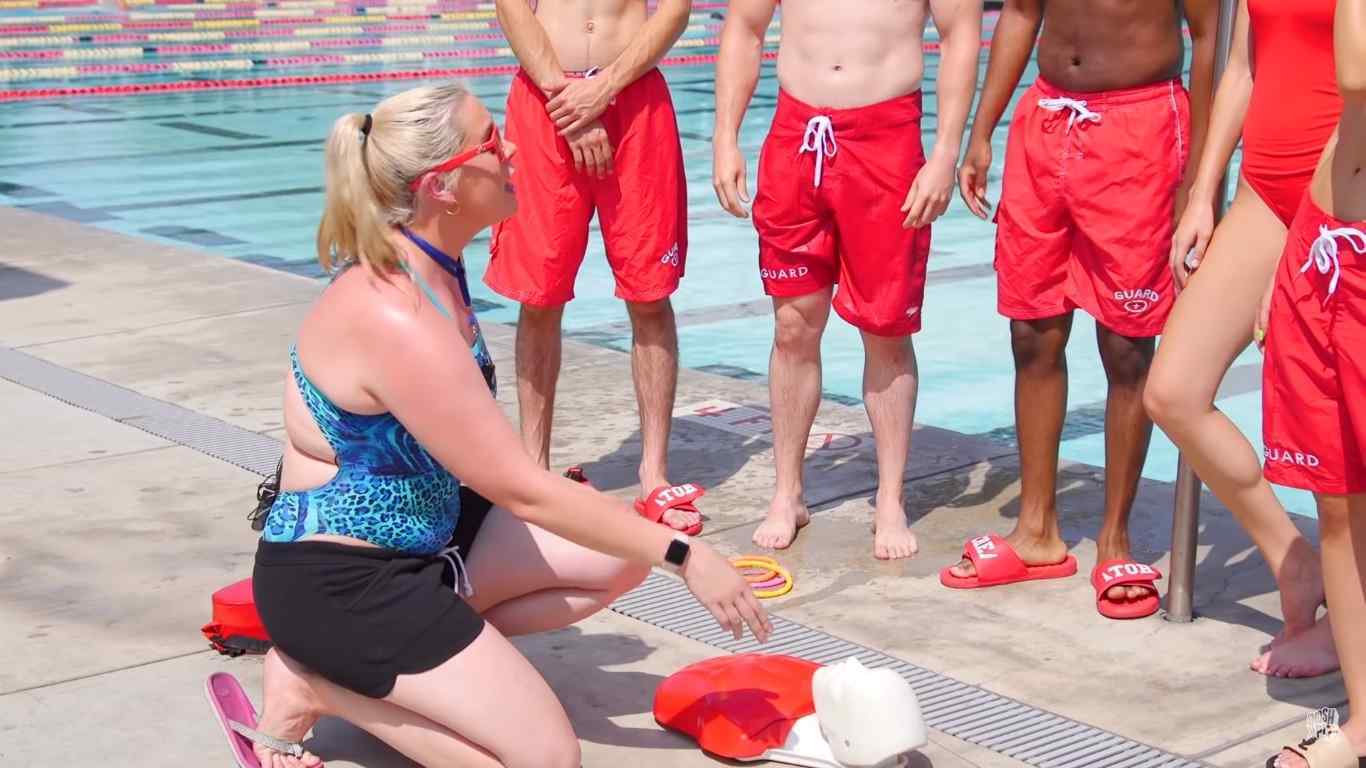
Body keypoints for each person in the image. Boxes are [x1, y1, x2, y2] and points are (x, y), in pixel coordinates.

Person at [235, 84, 769, 768]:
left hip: (432, 541)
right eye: (491, 141)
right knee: (546, 760)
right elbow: (523, 489)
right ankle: (317, 686)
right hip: (344, 582)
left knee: (619, 552)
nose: (512, 147)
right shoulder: (395, 315)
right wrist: (687, 555)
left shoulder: (433, 264)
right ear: (443, 187)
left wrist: (653, 545)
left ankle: (433, 661)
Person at [948, 0, 1218, 620]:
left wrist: (1198, 179)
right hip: (1045, 120)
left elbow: (1208, 40)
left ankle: (1114, 536)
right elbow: (1021, 13)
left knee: (1126, 346)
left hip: (1140, 130)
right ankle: (1036, 528)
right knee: (1032, 332)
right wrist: (982, 131)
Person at [713, 0, 982, 560]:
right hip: (796, 135)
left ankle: (889, 498)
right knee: (793, 325)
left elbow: (960, 36)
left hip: (887, 140)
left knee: (886, 329)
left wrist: (944, 153)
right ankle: (788, 491)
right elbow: (744, 26)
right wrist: (725, 137)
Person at [1144, 0, 1344, 671]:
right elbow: (1242, 70)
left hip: (1340, 208)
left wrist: (1304, 248)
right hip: (1264, 194)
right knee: (1173, 391)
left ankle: (1349, 626)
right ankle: (1294, 562)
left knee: (1329, 438)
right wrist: (1203, 191)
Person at [488, 0, 707, 536]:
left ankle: (653, 474)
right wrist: (570, 104)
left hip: (634, 101)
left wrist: (605, 87)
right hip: (545, 104)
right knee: (539, 297)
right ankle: (534, 472)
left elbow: (675, 11)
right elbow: (512, 9)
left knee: (649, 294)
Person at [1260, 1, 1365, 761]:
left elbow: (1356, 70)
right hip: (1327, 237)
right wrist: (1296, 248)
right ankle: (1364, 720)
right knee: (1339, 504)